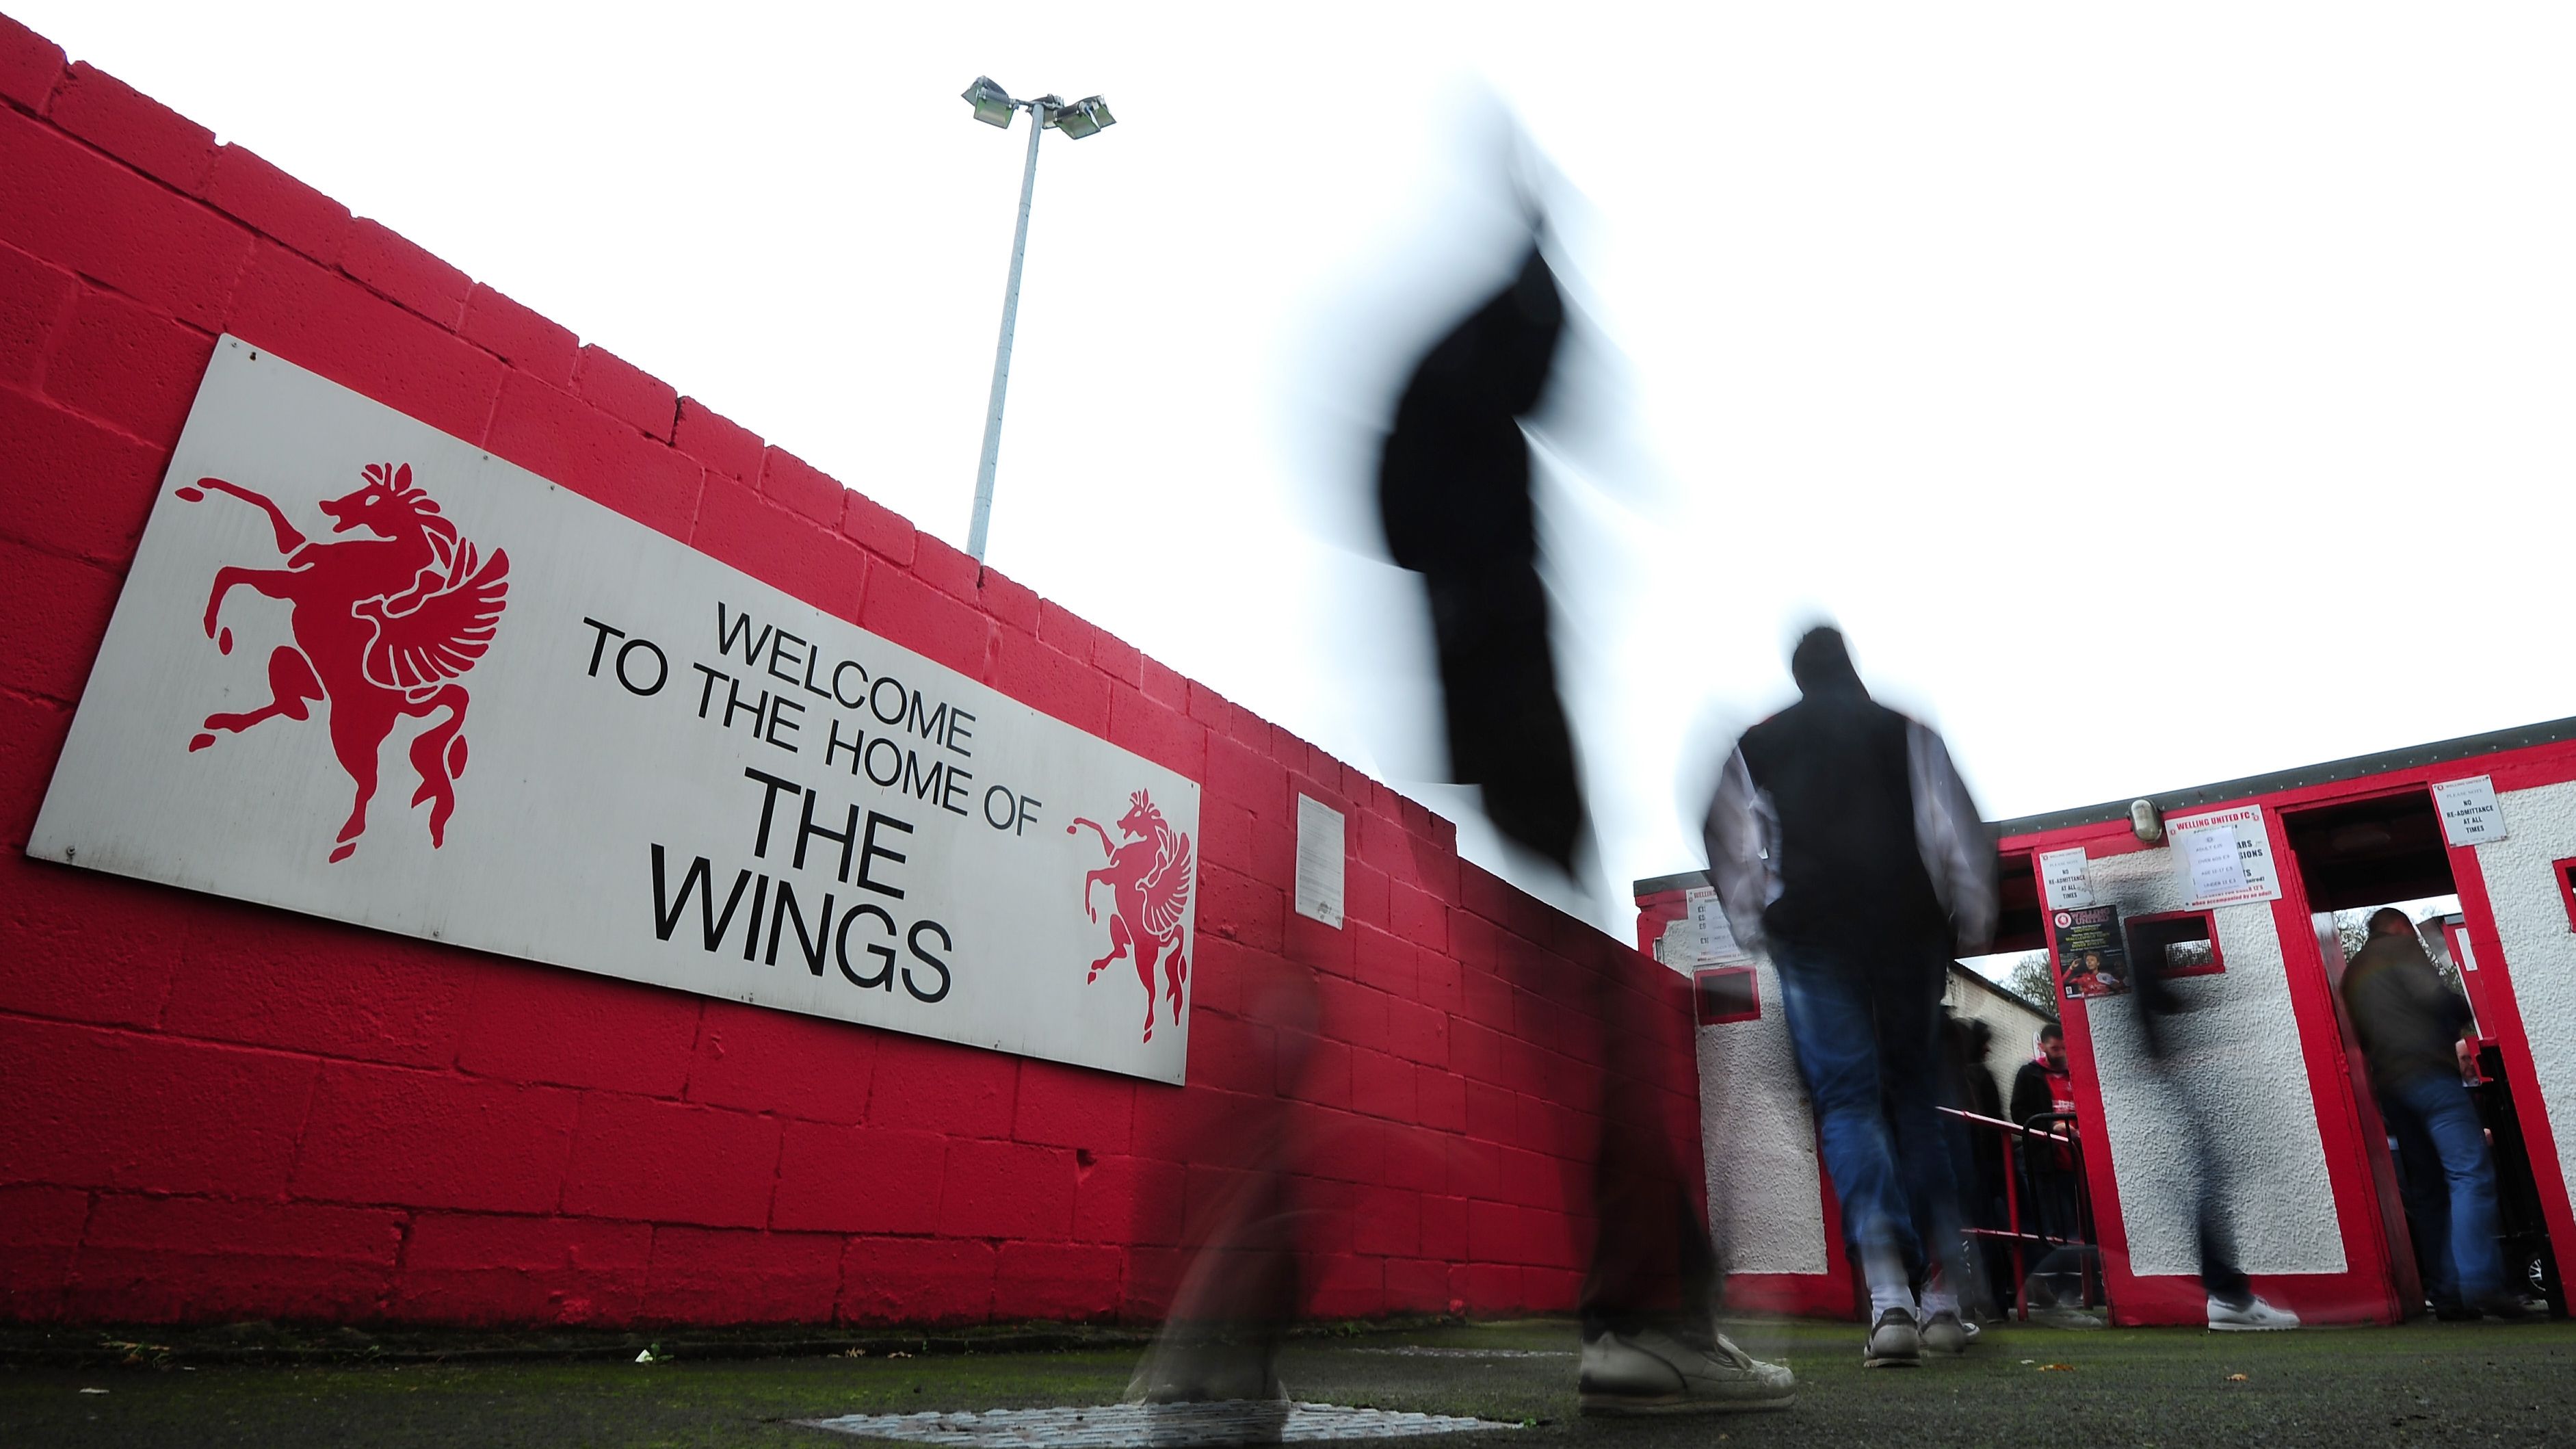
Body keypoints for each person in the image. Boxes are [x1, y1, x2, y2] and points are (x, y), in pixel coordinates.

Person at [1374, 223, 1792, 1414]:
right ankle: (1644, 1315)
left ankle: (1658, 1309)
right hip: (1513, 721)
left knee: (1588, 1013)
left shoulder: (1450, 446)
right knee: (1604, 1014)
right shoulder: (1472, 435)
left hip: (1494, 718)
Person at [1705, 625, 1997, 1368]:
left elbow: (1728, 837)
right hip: (1905, 925)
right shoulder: (1907, 731)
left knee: (1845, 1101)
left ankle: (1886, 1296)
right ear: (1853, 670)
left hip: (1811, 927)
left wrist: (1755, 920)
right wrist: (1964, 915)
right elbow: (1953, 832)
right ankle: (1939, 1301)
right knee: (1911, 1101)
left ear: (1797, 676)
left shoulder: (1758, 742)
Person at [2341, 906, 2528, 1321]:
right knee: (2469, 1173)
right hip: (2429, 1076)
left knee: (2427, 1190)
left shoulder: (2352, 973)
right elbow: (2434, 999)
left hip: (2391, 1088)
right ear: (2401, 928)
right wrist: (2464, 1009)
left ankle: (2447, 1296)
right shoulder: (2401, 950)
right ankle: (2480, 1281)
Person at [2009, 1022, 2091, 1309]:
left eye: (2064, 1047)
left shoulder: (2078, 1072)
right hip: (2046, 1164)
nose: (2061, 1052)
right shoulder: (2030, 1074)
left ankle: (2080, 1286)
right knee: (2056, 1226)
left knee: (2079, 1225)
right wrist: (2052, 1126)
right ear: (2043, 1046)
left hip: (2079, 1162)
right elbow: (2019, 1112)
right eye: (2055, 1047)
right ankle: (2060, 1287)